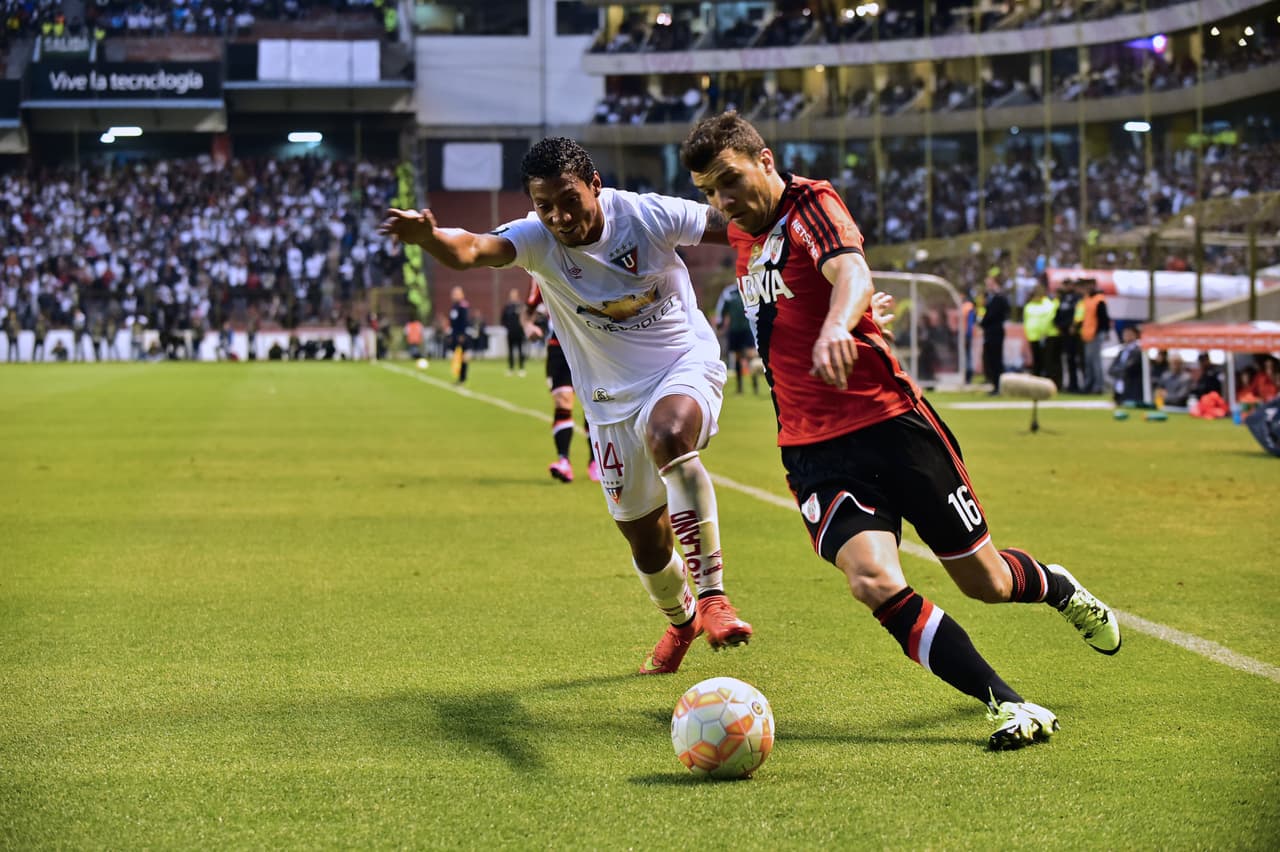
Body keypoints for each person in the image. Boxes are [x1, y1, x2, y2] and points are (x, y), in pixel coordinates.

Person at [680, 111, 1120, 750]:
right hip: (813, 450)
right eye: (709, 191)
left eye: (729, 180)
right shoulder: (744, 234)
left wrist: (840, 324)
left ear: (765, 161)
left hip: (893, 425)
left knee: (987, 583)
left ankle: (1059, 587)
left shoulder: (813, 205)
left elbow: (851, 272)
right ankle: (1012, 704)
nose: (722, 202)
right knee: (874, 580)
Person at [381, 136, 753, 675]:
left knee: (670, 435)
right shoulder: (538, 240)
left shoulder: (647, 216)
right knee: (645, 545)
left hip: (682, 365)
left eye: (568, 200)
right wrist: (431, 238)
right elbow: (471, 250)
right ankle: (683, 620)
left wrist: (791, 227)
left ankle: (715, 597)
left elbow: (738, 227)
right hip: (607, 405)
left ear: (594, 186)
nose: (558, 216)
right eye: (543, 205)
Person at [525, 279, 599, 483]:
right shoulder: (541, 266)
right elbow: (529, 307)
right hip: (559, 346)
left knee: (593, 405)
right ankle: (563, 461)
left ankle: (596, 462)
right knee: (562, 401)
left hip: (591, 345)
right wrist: (529, 326)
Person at [715, 279, 759, 395]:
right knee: (738, 358)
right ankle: (740, 388)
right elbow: (722, 308)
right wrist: (720, 322)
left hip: (747, 329)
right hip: (734, 330)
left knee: (750, 357)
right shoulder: (729, 293)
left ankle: (755, 386)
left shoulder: (750, 291)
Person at [1079, 278, 1111, 394]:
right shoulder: (1086, 299)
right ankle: (1089, 385)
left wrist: (1102, 332)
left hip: (1096, 334)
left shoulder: (1099, 300)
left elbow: (1104, 319)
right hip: (1087, 334)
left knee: (1095, 362)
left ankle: (1098, 386)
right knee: (1088, 362)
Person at [1021, 283, 1057, 380]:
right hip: (1033, 337)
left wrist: (1044, 332)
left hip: (1046, 336)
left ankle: (1048, 381)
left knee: (1047, 361)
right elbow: (1027, 321)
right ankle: (1036, 381)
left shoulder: (1048, 304)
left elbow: (1048, 320)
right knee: (1036, 361)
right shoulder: (1029, 306)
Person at [979, 276, 1008, 394]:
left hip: (995, 333)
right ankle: (994, 384)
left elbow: (994, 314)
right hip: (989, 333)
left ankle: (998, 386)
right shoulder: (990, 298)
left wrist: (983, 322)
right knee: (991, 360)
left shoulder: (999, 298)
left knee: (996, 360)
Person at [500, 288, 527, 376]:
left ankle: (521, 368)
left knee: (520, 350)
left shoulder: (521, 306)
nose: (513, 296)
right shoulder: (507, 307)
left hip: (519, 333)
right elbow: (503, 319)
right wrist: (507, 327)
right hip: (510, 333)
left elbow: (525, 318)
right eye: (512, 295)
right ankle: (511, 368)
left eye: (514, 295)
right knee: (510, 351)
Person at [447, 285, 471, 384]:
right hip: (455, 334)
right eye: (454, 294)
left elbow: (464, 321)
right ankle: (459, 377)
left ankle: (463, 377)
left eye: (457, 294)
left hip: (461, 335)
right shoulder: (454, 306)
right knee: (456, 357)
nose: (454, 295)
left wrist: (462, 335)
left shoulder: (463, 306)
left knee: (463, 356)